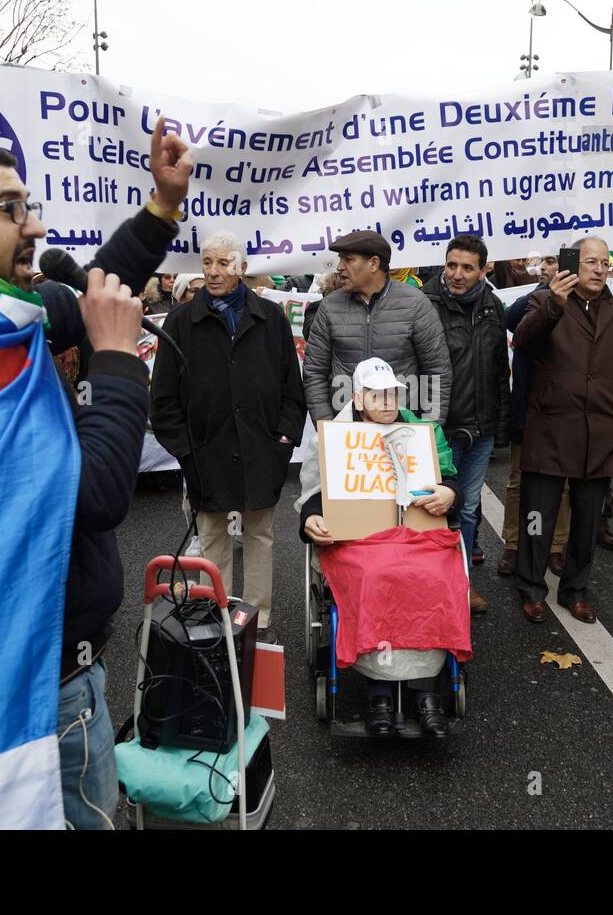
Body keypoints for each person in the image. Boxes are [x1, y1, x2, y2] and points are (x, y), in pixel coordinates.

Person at [0, 117, 194, 828]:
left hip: (34, 665)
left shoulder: (0, 309)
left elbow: (96, 287)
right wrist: (117, 362)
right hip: (26, 681)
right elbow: (91, 497)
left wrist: (162, 206)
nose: (34, 227)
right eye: (11, 209)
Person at [150, 231, 307, 636]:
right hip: (206, 452)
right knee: (212, 538)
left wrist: (283, 441)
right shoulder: (181, 321)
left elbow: (293, 387)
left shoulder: (270, 318)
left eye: (223, 263)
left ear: (242, 268)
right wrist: (187, 451)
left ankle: (257, 620)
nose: (214, 272)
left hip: (261, 447)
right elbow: (163, 398)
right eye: (207, 263)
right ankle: (216, 617)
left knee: (261, 534)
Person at [297, 357, 460, 735]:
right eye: (376, 395)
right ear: (357, 397)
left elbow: (451, 478)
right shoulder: (337, 434)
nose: (386, 402)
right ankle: (380, 693)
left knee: (433, 574)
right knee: (374, 575)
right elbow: (314, 494)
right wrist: (310, 520)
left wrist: (449, 492)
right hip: (361, 543)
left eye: (392, 394)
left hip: (416, 537)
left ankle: (426, 694)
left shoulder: (422, 431)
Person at [513, 237, 613, 624]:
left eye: (604, 262)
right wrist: (553, 305)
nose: (599, 268)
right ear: (572, 265)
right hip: (551, 429)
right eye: (590, 261)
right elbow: (523, 340)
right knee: (537, 517)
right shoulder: (546, 302)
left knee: (588, 522)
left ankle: (575, 590)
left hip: (601, 434)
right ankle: (531, 589)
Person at [421, 234, 509, 614]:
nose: (457, 274)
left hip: (481, 428)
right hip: (441, 429)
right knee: (435, 511)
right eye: (451, 265)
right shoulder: (425, 303)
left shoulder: (493, 305)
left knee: (469, 507)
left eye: (467, 267)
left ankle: (462, 584)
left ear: (484, 270)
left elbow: (498, 369)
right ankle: (429, 585)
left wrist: (499, 423)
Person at [302, 229, 451, 423]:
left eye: (348, 260)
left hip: (403, 430)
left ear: (373, 263)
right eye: (340, 260)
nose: (339, 267)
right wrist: (327, 428)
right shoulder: (329, 307)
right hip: (347, 433)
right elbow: (314, 371)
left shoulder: (415, 304)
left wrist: (430, 429)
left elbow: (437, 371)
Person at [501, 254, 572, 579]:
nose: (551, 268)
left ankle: (556, 546)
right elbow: (511, 320)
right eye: (547, 263)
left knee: (564, 485)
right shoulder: (534, 298)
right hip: (529, 407)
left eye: (556, 263)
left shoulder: (589, 305)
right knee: (518, 482)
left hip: (567, 411)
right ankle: (513, 546)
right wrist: (546, 292)